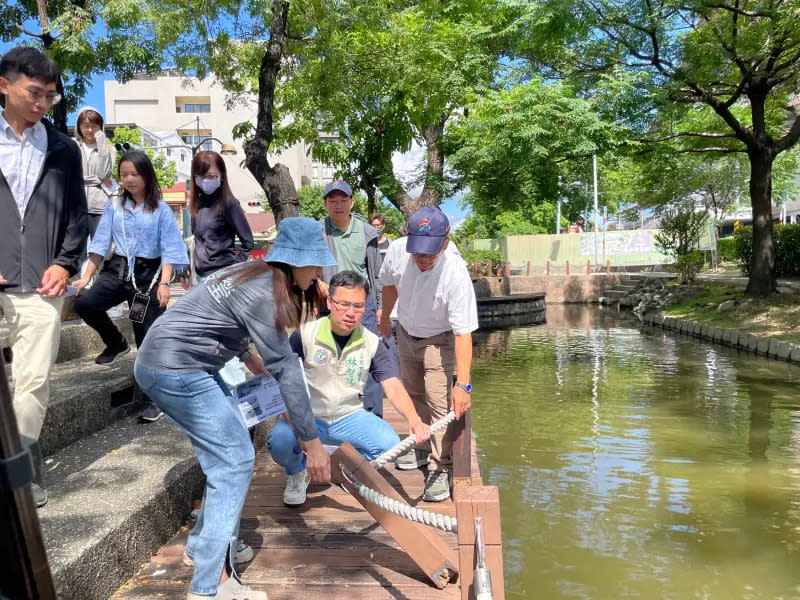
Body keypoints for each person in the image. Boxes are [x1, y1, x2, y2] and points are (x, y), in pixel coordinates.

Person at [133, 217, 334, 600]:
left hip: (178, 363)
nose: (319, 271)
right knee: (236, 459)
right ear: (295, 262)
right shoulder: (263, 291)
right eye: (315, 262)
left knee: (228, 456)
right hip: (175, 369)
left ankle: (202, 547)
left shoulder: (251, 272)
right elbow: (288, 370)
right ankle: (210, 586)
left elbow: (215, 316)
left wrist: (248, 357)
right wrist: (312, 442)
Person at [0, 47, 87, 508]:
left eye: (50, 96)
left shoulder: (62, 148)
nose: (42, 103)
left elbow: (76, 214)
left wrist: (66, 262)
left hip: (42, 284)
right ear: (4, 85)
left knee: (33, 381)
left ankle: (21, 475)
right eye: (34, 92)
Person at [268, 270, 431, 506]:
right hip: (308, 416)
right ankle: (297, 473)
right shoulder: (304, 335)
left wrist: (414, 419)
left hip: (348, 415)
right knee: (280, 442)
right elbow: (279, 383)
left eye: (358, 306)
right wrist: (301, 431)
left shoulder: (372, 341)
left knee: (390, 446)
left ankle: (343, 467)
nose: (350, 313)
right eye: (343, 304)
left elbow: (393, 385)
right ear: (329, 302)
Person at [73, 150, 188, 423]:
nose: (129, 179)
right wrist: (85, 276)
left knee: (147, 338)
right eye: (124, 175)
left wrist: (164, 284)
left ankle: (155, 400)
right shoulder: (115, 207)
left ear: (146, 176)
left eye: (134, 174)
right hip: (119, 269)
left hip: (149, 275)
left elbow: (171, 249)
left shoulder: (160, 210)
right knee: (85, 304)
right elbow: (100, 245)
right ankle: (116, 343)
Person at [378, 206, 478, 502]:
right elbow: (388, 284)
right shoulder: (397, 251)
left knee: (439, 402)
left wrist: (462, 384)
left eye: (430, 252)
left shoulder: (456, 274)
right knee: (413, 393)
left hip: (440, 338)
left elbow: (463, 334)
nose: (422, 258)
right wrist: (384, 318)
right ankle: (420, 446)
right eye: (417, 251)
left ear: (445, 243)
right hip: (406, 332)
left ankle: (441, 466)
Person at [185, 150, 254, 387]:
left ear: (222, 175)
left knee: (226, 338)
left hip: (223, 279)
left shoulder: (228, 203)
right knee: (206, 338)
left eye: (212, 175)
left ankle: (238, 396)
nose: (207, 180)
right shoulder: (196, 204)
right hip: (200, 279)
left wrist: (233, 270)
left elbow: (247, 241)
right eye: (202, 175)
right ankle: (220, 390)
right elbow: (198, 241)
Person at [319, 179, 385, 417]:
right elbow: (308, 268)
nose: (338, 205)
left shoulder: (367, 232)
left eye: (343, 200)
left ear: (352, 202)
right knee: (330, 358)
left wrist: (379, 307)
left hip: (362, 303)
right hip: (330, 303)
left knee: (368, 356)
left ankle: (373, 416)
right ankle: (334, 415)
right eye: (333, 200)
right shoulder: (319, 232)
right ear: (325, 203)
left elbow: (375, 273)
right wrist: (319, 283)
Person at [75, 106, 116, 239]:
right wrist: (97, 180)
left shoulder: (110, 149)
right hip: (75, 204)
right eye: (86, 125)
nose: (90, 130)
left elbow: (103, 175)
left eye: (94, 126)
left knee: (101, 249)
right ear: (79, 126)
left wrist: (102, 143)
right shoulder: (72, 146)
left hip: (100, 206)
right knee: (74, 250)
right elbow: (69, 175)